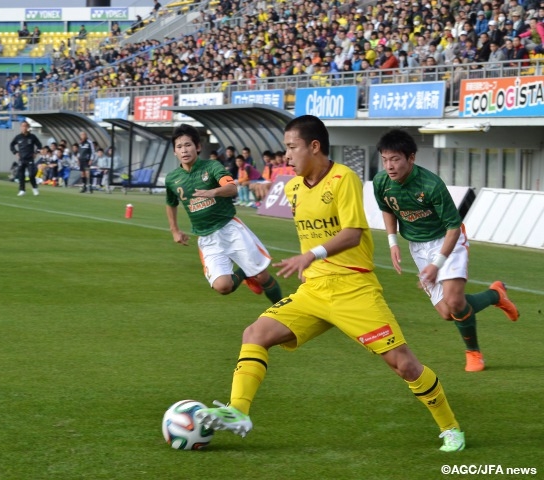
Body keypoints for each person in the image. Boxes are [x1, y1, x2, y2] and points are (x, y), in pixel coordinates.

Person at [195, 115, 465, 453]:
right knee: (255, 334)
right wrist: (309, 262)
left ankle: (450, 428)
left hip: (354, 289)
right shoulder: (293, 187)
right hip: (313, 291)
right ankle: (238, 411)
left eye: (292, 148)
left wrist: (310, 256)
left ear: (314, 146)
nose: (287, 156)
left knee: (404, 365)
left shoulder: (343, 179)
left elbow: (353, 234)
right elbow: (309, 229)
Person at [372, 129, 520, 372]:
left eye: (395, 159)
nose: (389, 166)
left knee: (453, 300)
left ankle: (474, 353)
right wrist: (392, 242)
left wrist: (436, 264)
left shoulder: (431, 185)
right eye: (385, 159)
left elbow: (453, 228)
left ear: (411, 158)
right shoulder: (381, 182)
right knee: (447, 312)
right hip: (418, 247)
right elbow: (386, 208)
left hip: (447, 240)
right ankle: (496, 295)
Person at [165, 123, 283, 304]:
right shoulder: (172, 179)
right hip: (207, 237)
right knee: (223, 286)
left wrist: (214, 192)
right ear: (174, 151)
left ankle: (283, 311)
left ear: (198, 147)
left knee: (262, 275)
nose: (184, 150)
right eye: (179, 147)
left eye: (188, 145)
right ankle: (244, 273)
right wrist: (174, 230)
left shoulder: (212, 167)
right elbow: (171, 203)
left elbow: (231, 187)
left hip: (230, 229)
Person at [10, 120, 42, 196]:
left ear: (28, 127)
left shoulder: (32, 137)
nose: (24, 128)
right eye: (23, 126)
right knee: (21, 175)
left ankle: (34, 188)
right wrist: (15, 152)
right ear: (21, 127)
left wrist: (36, 153)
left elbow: (39, 145)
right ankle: (22, 190)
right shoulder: (18, 137)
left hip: (30, 159)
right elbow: (11, 145)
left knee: (31, 175)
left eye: (25, 126)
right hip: (21, 159)